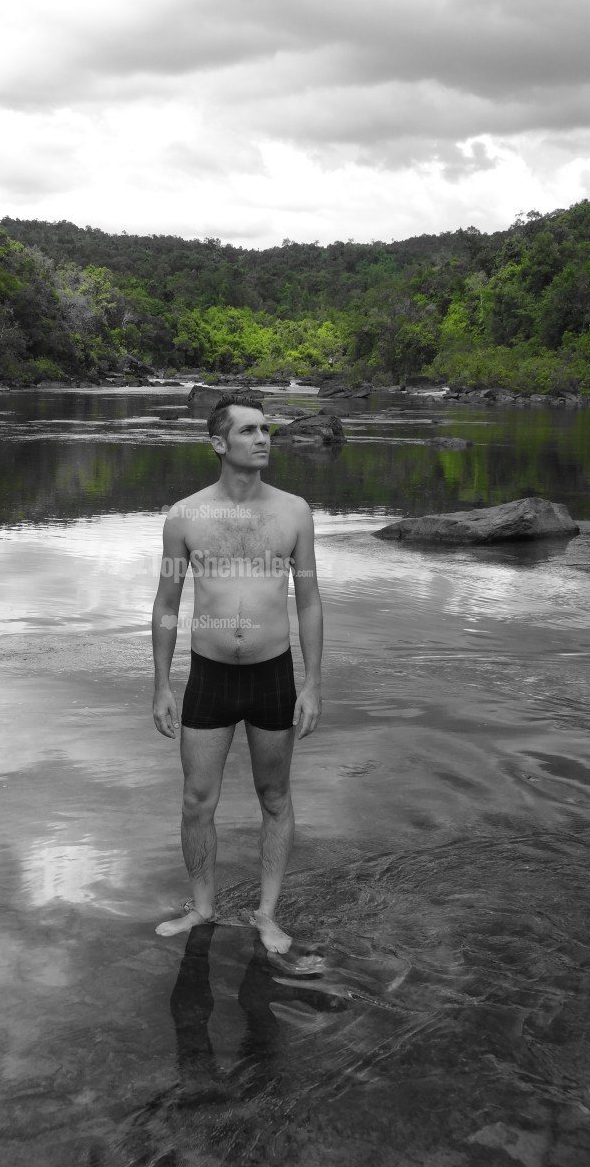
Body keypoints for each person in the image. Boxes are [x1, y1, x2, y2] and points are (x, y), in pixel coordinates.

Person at [152, 392, 323, 955]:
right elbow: (167, 603)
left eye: (266, 430)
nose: (263, 438)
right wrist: (161, 684)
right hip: (210, 677)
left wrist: (312, 682)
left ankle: (267, 915)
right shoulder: (184, 516)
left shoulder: (294, 511)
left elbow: (308, 601)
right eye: (249, 431)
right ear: (218, 443)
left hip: (272, 675)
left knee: (275, 797)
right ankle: (202, 908)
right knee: (196, 801)